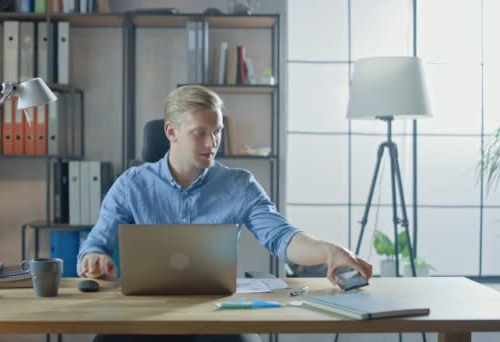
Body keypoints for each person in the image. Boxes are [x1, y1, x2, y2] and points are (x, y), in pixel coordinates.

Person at [77, 85, 372, 342]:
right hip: (146, 315)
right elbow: (95, 246)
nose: (212, 143)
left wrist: (327, 250)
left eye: (217, 131)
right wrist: (94, 258)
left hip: (217, 314)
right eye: (199, 133)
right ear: (171, 132)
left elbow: (282, 237)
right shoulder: (132, 184)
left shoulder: (239, 184)